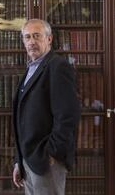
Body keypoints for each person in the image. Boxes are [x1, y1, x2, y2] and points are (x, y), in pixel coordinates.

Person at [12, 19, 81, 195]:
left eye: (37, 36)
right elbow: (22, 119)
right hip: (28, 160)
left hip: (46, 161)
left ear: (49, 39)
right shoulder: (31, 69)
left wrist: (52, 153)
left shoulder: (58, 66)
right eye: (27, 37)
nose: (31, 41)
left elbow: (68, 115)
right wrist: (19, 160)